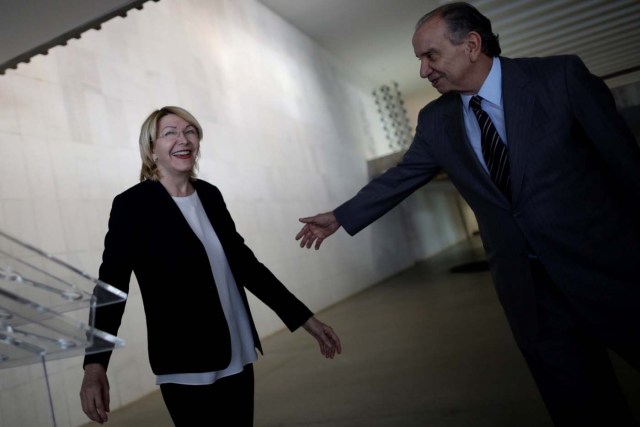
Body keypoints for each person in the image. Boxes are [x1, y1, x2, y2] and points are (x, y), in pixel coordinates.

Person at [295, 2, 640, 426]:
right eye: (420, 59)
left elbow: (627, 166)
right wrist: (341, 216)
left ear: (472, 45)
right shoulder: (436, 120)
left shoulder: (559, 78)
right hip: (529, 292)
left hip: (611, 269)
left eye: (430, 55)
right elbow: (403, 176)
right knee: (582, 405)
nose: (424, 70)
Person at [80, 106, 342, 426]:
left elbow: (247, 266)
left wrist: (305, 319)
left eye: (190, 131)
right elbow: (111, 286)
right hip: (185, 363)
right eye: (170, 132)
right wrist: (95, 365)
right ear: (152, 150)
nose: (183, 138)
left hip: (237, 351)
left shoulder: (210, 195)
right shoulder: (133, 205)